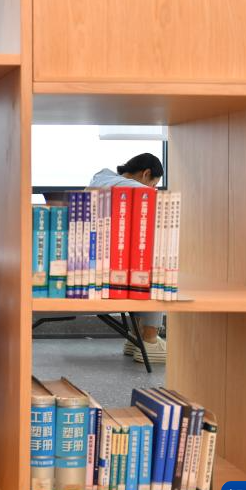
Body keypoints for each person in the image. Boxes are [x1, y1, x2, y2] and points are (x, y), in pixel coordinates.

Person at [88, 152, 166, 365]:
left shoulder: (100, 179)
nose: (152, 189)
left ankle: (136, 337)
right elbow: (145, 193)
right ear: (146, 173)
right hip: (106, 276)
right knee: (153, 269)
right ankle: (149, 340)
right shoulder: (127, 187)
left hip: (90, 266)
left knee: (139, 264)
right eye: (153, 184)